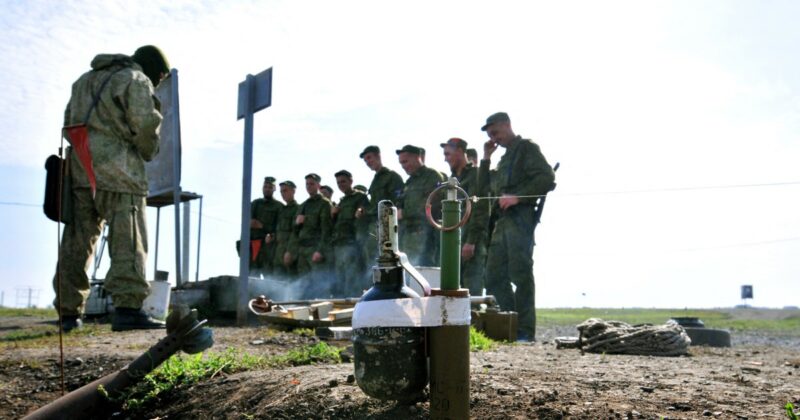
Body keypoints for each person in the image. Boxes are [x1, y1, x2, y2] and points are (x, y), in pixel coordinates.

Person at [54, 45, 170, 332]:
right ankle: (127, 309)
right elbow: (145, 126)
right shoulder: (135, 79)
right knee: (128, 240)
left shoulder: (84, 80)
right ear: (155, 71)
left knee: (77, 240)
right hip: (119, 172)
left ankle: (68, 313)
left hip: (81, 169)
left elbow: (69, 122)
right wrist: (147, 150)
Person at [478, 112, 556, 342]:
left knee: (520, 274)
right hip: (501, 223)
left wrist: (518, 197)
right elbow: (482, 191)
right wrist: (485, 158)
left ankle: (524, 331)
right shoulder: (503, 158)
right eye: (491, 135)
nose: (495, 138)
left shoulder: (526, 149)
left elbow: (547, 177)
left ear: (507, 125)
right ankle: (508, 325)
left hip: (520, 218)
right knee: (493, 275)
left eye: (496, 132)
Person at [441, 138, 489, 296]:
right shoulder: (453, 180)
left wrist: (471, 241)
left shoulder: (476, 175)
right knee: (454, 290)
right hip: (455, 243)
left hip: (471, 242)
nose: (445, 158)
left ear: (461, 152)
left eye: (448, 154)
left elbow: (481, 209)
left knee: (472, 290)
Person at [396, 144, 444, 266]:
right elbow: (401, 202)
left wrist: (404, 213)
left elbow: (433, 204)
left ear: (418, 157)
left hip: (425, 236)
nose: (403, 166)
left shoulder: (433, 176)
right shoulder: (409, 182)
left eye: (406, 162)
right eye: (401, 163)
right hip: (407, 236)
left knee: (422, 272)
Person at [356, 145, 404, 268]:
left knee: (383, 259)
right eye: (365, 160)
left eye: (369, 158)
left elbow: (398, 201)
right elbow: (374, 204)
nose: (368, 162)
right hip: (375, 225)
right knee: (372, 257)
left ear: (378, 156)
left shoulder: (392, 177)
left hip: (387, 225)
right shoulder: (375, 180)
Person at [288, 173, 333, 295]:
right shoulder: (303, 205)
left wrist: (320, 250)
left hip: (315, 248)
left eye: (312, 184)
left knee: (320, 284)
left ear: (318, 185)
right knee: (304, 285)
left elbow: (326, 230)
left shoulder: (324, 204)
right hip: (302, 250)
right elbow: (295, 230)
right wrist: (297, 223)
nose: (309, 186)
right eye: (307, 184)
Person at [331, 170, 370, 297]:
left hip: (351, 243)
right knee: (340, 278)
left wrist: (361, 211)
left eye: (343, 181)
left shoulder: (360, 197)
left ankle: (352, 306)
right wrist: (334, 214)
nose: (340, 184)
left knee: (352, 279)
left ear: (351, 181)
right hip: (339, 244)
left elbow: (364, 215)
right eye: (338, 183)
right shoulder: (342, 201)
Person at [237, 177, 281, 277]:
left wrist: (262, 226)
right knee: (250, 278)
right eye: (265, 186)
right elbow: (246, 223)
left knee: (269, 278)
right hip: (251, 246)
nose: (267, 189)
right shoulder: (255, 203)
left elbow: (279, 228)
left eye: (270, 187)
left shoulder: (278, 207)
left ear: (274, 189)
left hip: (267, 247)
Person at [274, 180, 299, 280]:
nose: (283, 194)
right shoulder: (281, 210)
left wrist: (290, 251)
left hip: (289, 250)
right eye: (281, 192)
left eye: (285, 191)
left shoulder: (298, 208)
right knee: (276, 282)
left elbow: (295, 232)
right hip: (279, 250)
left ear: (293, 191)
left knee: (290, 281)